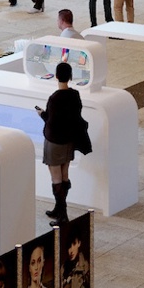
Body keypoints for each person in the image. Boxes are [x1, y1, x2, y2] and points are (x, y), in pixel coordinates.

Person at [39, 61, 90, 224]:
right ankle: (59, 209)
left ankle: (62, 214)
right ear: (70, 76)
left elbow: (51, 121)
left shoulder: (54, 98)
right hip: (69, 140)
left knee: (56, 178)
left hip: (54, 142)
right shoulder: (74, 95)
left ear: (56, 76)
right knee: (64, 174)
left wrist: (42, 114)